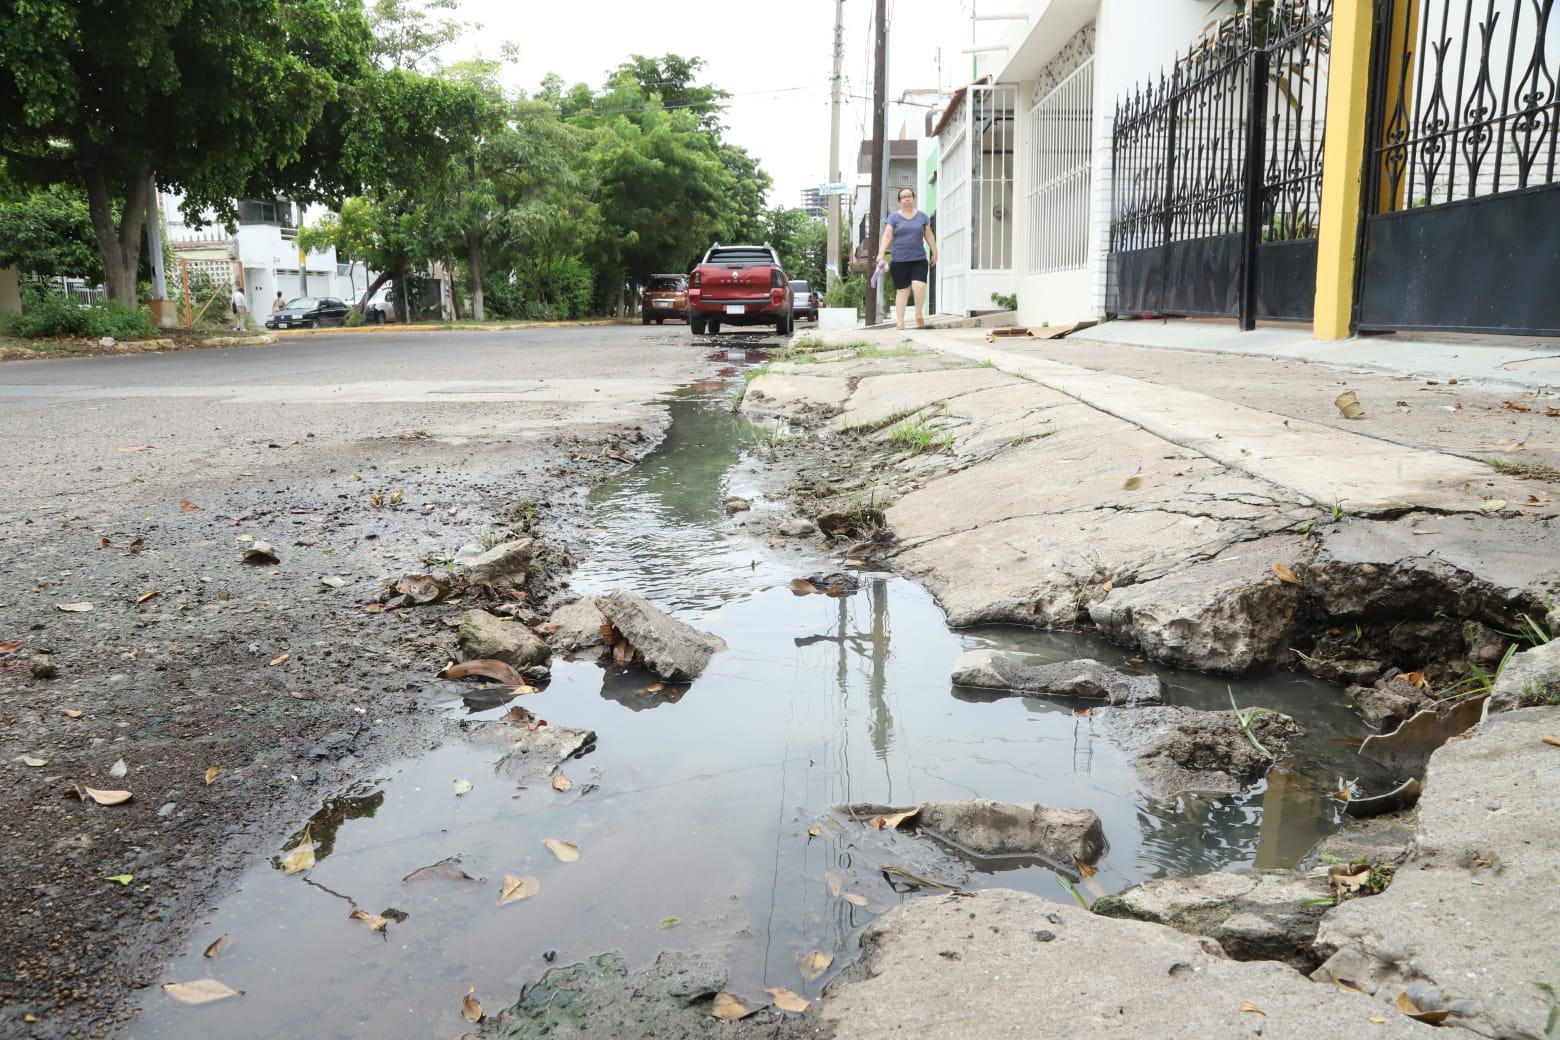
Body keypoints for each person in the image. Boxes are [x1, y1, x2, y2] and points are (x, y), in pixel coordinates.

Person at [876, 187, 938, 330]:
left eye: (909, 196)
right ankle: (900, 321)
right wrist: (881, 253)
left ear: (913, 198)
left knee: (919, 285)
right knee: (902, 291)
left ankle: (918, 313)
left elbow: (929, 235)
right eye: (903, 197)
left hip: (918, 258)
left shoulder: (922, 217)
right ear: (899, 201)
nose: (907, 198)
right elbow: (887, 236)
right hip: (899, 259)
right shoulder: (893, 218)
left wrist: (935, 251)